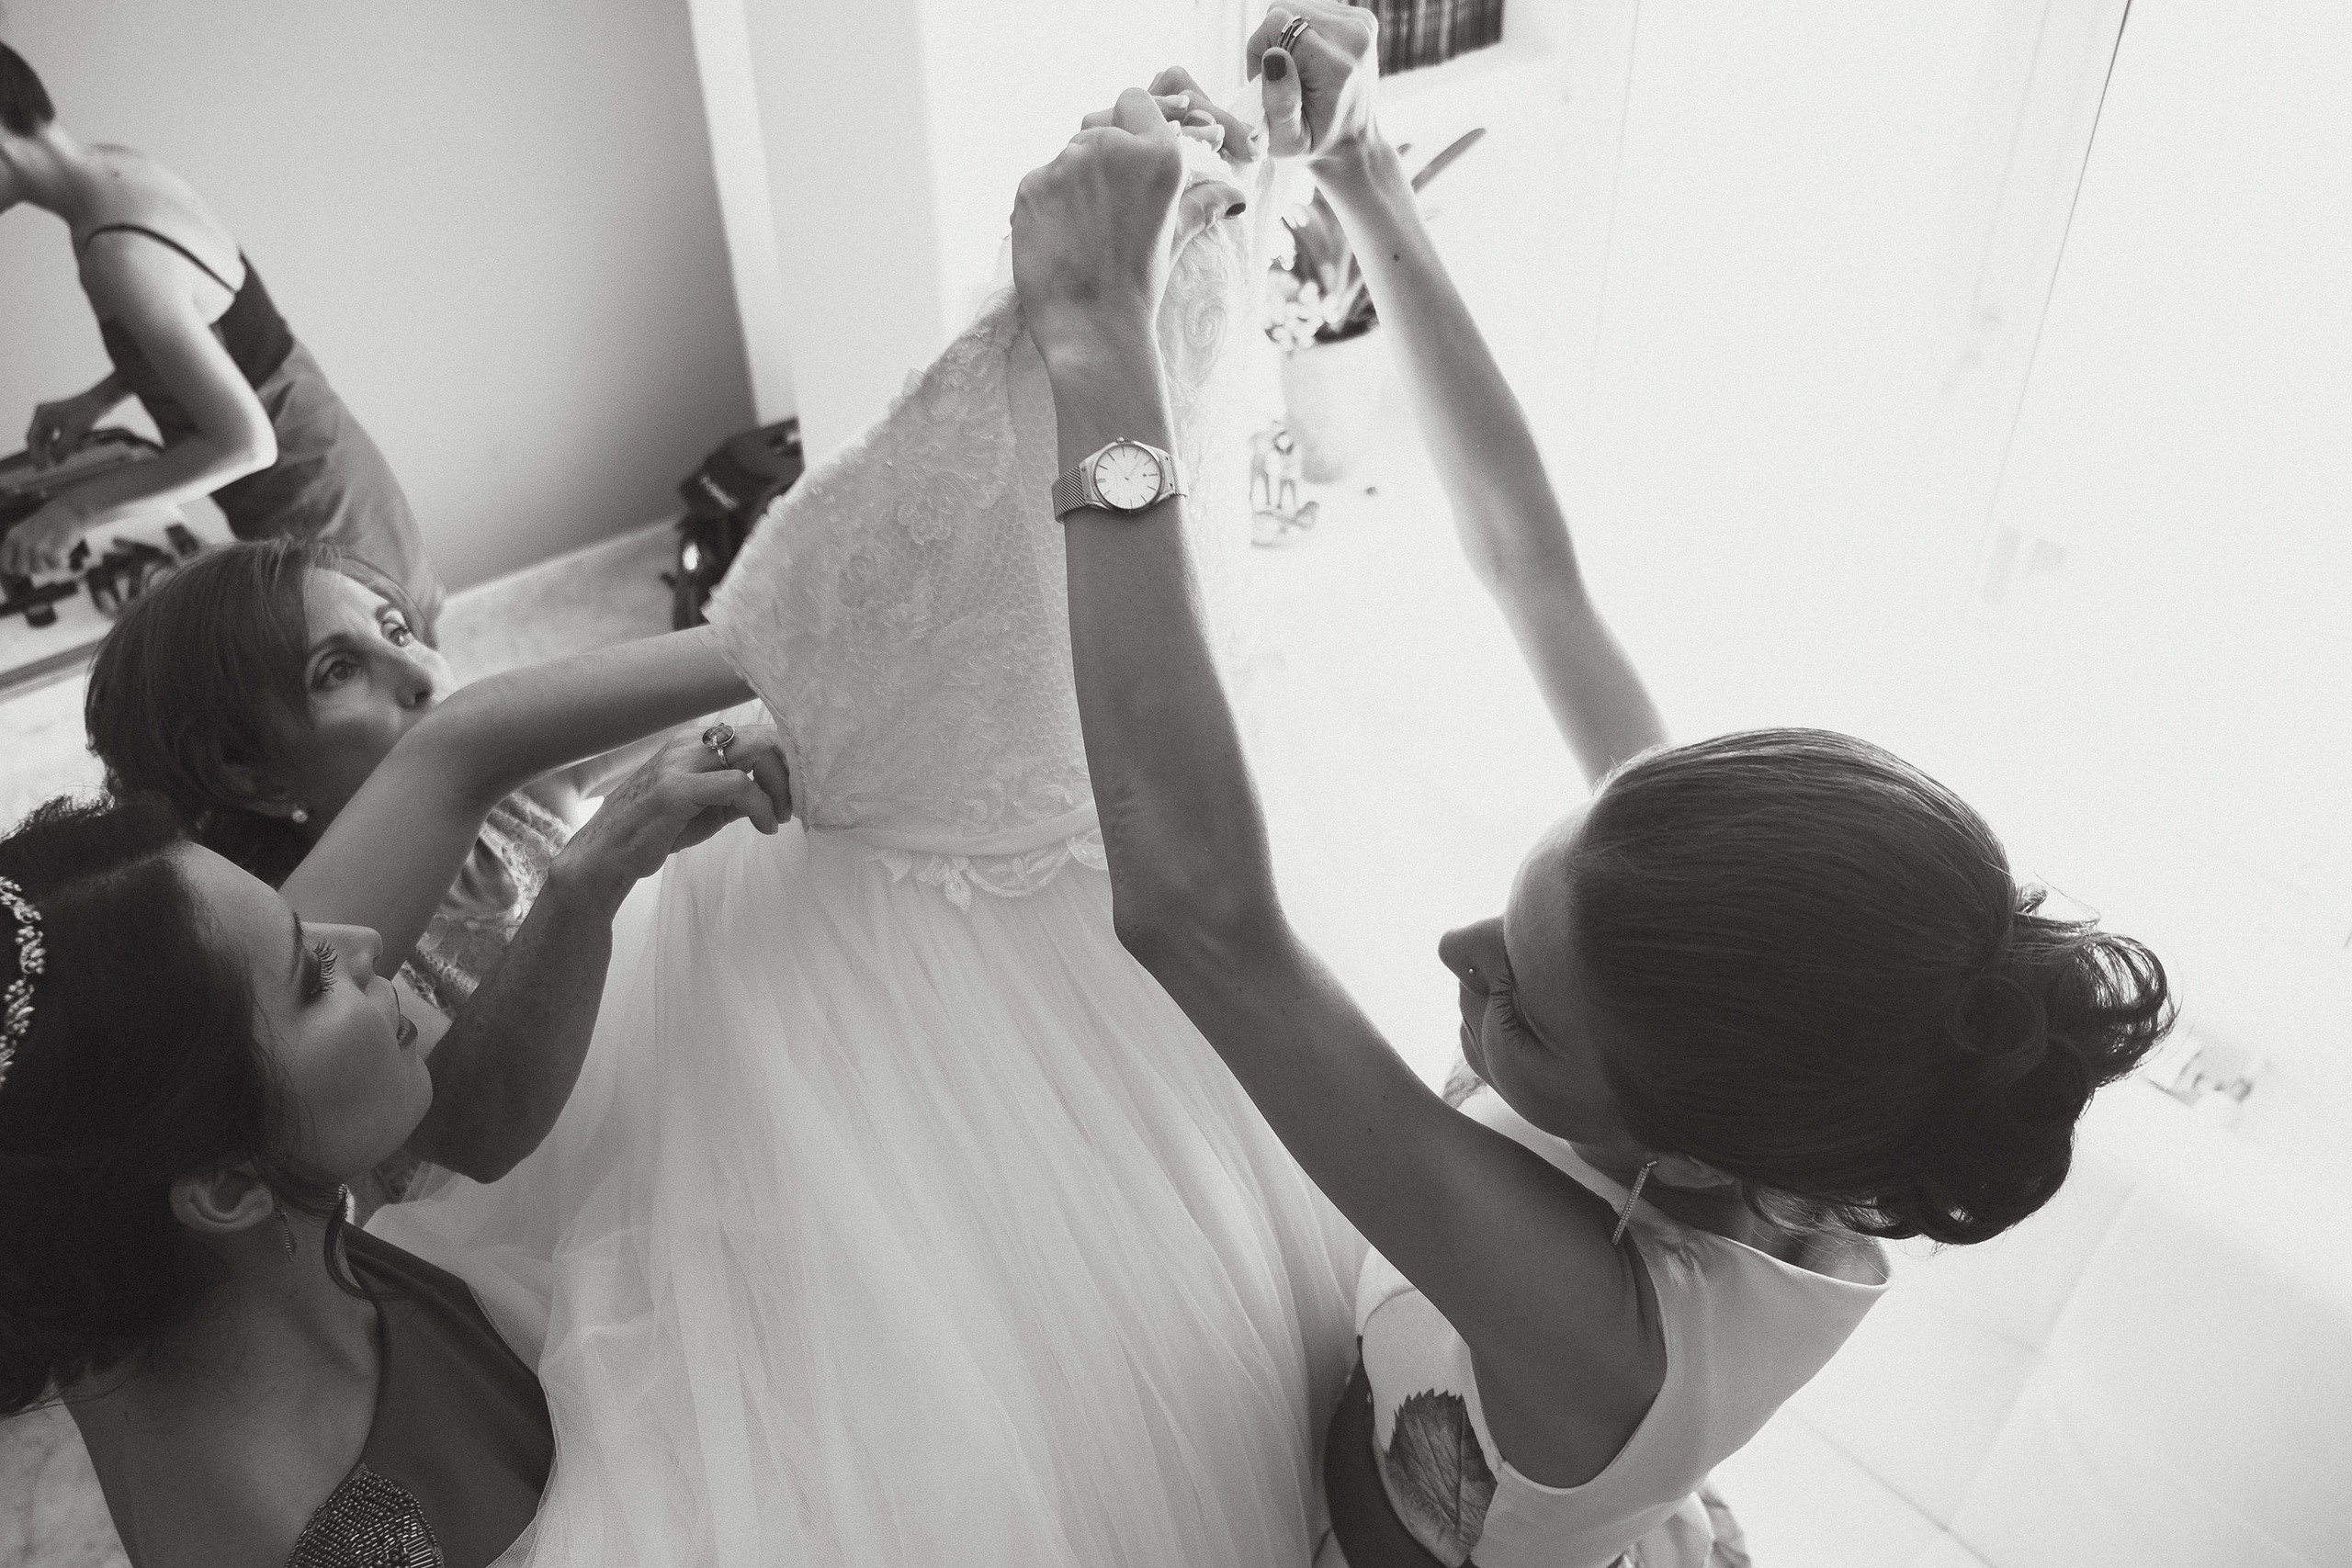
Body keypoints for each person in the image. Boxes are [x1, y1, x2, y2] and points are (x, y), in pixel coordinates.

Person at [1010, 15, 2172, 1568]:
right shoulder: (1722, 980)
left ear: (1684, 1159)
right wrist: (1361, 164)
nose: (1450, 952)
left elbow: (1197, 914)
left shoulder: (1599, 1336)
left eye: (1526, 1006)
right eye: (1515, 904)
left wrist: (1102, 344)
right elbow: (1528, 563)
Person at [359, 99, 1364, 1568]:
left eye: (397, 624)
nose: (407, 659)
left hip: (1028, 941)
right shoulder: (1100, 347)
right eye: (347, 657)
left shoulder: (1072, 363)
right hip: (1023, 956)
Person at [0, 621, 788, 1566]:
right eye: (311, 976)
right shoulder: (339, 1535)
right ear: (224, 1186)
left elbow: (453, 757)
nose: (370, 944)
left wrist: (591, 872)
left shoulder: (108, 1245)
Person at [0, 42, 444, 631]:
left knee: (377, 669)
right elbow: (217, 332)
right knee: (393, 641)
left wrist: (73, 510)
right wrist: (99, 398)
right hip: (323, 442)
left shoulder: (115, 252)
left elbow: (246, 444)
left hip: (306, 494)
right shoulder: (120, 169)